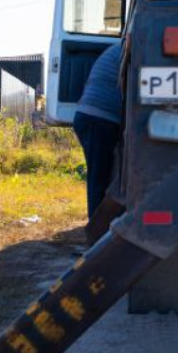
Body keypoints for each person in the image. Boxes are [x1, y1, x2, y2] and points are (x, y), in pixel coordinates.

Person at [72, 42, 124, 221]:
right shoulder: (129, 50)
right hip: (99, 120)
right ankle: (96, 229)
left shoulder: (118, 49)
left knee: (100, 176)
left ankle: (100, 224)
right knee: (98, 179)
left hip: (92, 118)